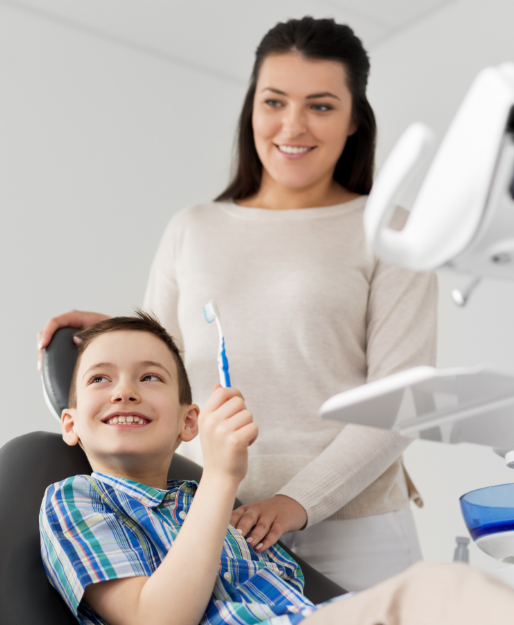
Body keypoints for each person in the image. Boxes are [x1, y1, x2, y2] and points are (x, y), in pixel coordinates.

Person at [38, 16, 436, 590]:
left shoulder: (390, 232)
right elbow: (166, 366)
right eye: (274, 101)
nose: (292, 124)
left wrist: (296, 502)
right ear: (252, 106)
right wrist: (113, 334)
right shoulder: (193, 229)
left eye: (320, 106)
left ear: (354, 120)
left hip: (357, 528)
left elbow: (402, 402)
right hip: (217, 519)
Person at [40, 312, 514, 625]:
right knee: (438, 590)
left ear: (190, 420)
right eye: (99, 378)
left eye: (150, 377)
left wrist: (212, 490)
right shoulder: (74, 501)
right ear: (69, 423)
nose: (125, 392)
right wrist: (221, 477)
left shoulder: (204, 506)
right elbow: (155, 621)